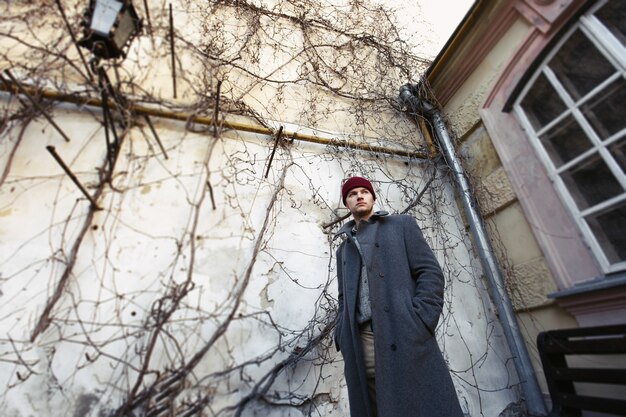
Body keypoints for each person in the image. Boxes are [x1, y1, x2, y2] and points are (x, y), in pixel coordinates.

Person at [334, 176, 463, 417]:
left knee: (422, 405)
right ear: (347, 203)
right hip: (361, 340)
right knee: (378, 408)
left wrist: (420, 319)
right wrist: (342, 332)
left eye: (364, 191)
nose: (359, 196)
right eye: (352, 194)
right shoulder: (343, 249)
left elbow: (430, 272)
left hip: (403, 331)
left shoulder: (401, 225)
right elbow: (343, 298)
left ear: (373, 197)